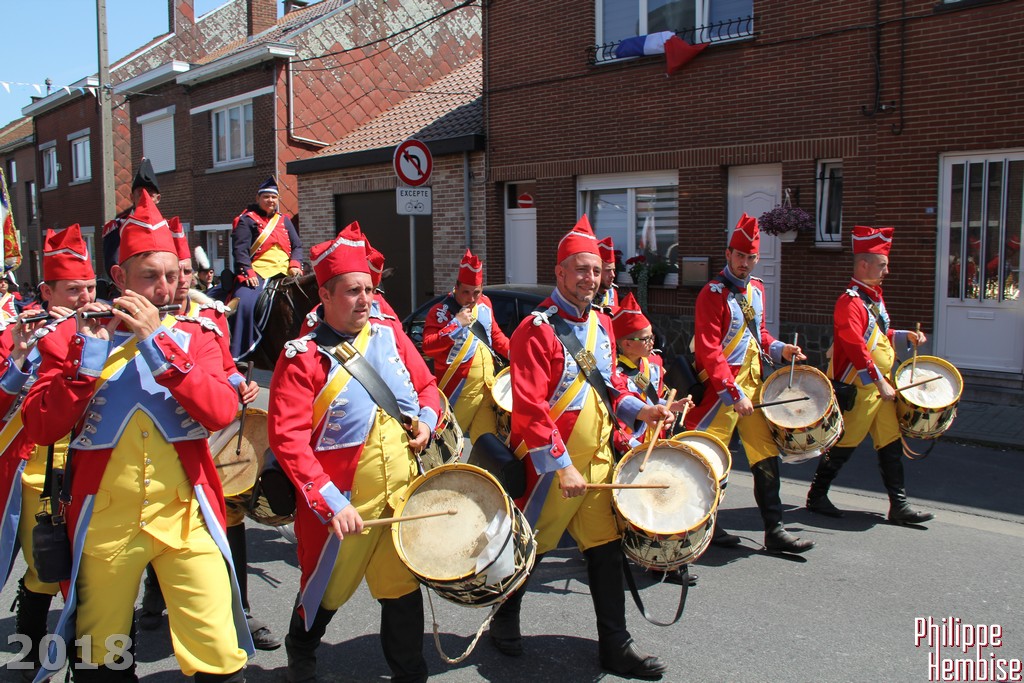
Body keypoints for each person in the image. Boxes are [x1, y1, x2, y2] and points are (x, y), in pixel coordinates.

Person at [22, 191, 253, 682]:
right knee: (102, 655)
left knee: (220, 654)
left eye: (171, 275)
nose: (165, 288)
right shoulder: (70, 336)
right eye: (150, 276)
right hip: (103, 524)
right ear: (120, 278)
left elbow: (221, 410)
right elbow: (40, 426)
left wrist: (158, 343)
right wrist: (85, 364)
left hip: (187, 518)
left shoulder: (198, 333)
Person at [492, 215, 674, 678]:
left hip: (596, 461)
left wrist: (642, 410)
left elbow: (610, 385)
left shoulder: (602, 323)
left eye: (595, 270)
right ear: (559, 272)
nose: (589, 278)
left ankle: (616, 645)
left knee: (605, 552)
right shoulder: (535, 329)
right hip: (553, 469)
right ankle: (504, 618)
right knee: (532, 549)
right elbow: (531, 407)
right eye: (580, 269)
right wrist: (561, 465)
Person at [267, 221, 440, 683]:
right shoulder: (303, 356)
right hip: (340, 505)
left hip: (399, 496)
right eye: (352, 291)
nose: (365, 300)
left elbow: (427, 386)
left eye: (369, 289)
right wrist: (330, 502)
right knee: (326, 591)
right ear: (324, 295)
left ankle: (410, 674)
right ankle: (301, 649)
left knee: (401, 590)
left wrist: (426, 420)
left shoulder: (390, 335)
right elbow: (287, 440)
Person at [136, 219, 278, 650]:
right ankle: (154, 594)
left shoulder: (211, 316)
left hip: (212, 433)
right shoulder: (137, 322)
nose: (178, 281)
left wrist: (239, 385)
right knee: (158, 519)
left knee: (229, 517)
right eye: (170, 272)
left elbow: (227, 367)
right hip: (160, 440)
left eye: (183, 272)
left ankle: (241, 611)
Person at [0, 224, 96, 680]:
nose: (85, 297)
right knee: (44, 568)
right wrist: (21, 360)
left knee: (97, 574)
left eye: (90, 287)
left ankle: (94, 660)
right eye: (73, 290)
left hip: (93, 466)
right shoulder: (18, 332)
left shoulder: (108, 327)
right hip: (36, 469)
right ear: (46, 291)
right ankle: (29, 653)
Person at [686, 213, 813, 554]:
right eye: (740, 256)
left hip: (753, 387)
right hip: (721, 394)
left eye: (751, 257)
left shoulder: (756, 289)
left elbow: (760, 335)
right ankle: (701, 525)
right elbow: (710, 351)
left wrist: (782, 349)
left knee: (766, 457)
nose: (744, 263)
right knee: (708, 459)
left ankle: (775, 530)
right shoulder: (712, 293)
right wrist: (733, 393)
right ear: (728, 254)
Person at [805, 225, 933, 524]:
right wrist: (878, 381)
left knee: (890, 443)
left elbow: (878, 335)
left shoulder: (872, 298)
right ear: (864, 264)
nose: (887, 270)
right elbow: (855, 347)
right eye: (882, 265)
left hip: (879, 387)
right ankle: (817, 496)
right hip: (859, 387)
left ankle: (899, 505)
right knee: (843, 444)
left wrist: (903, 336)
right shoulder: (849, 302)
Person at [610, 291, 695, 586]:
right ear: (626, 343)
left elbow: (654, 401)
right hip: (627, 446)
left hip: (653, 442)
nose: (652, 343)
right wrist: (633, 445)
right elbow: (617, 414)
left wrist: (674, 406)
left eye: (651, 337)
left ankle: (664, 561)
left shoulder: (651, 364)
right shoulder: (615, 373)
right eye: (645, 339)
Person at [422, 248, 510, 441]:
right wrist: (455, 325)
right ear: (456, 287)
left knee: (487, 443)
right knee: (448, 442)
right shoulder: (441, 311)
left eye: (476, 293)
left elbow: (495, 336)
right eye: (466, 292)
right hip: (458, 389)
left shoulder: (485, 304)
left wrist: (515, 352)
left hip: (487, 386)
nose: (471, 299)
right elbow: (428, 346)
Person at [228, 176, 303, 361]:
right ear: (258, 198)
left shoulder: (284, 220)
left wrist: (295, 264)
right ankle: (239, 354)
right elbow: (240, 250)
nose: (270, 200)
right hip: (259, 271)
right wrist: (248, 272)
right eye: (266, 197)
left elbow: (297, 246)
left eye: (274, 197)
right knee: (243, 303)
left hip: (286, 271)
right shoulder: (247, 220)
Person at [102, 158, 161, 281]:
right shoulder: (118, 227)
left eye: (150, 194)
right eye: (140, 193)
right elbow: (113, 264)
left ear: (158, 198)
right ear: (131, 197)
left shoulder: (167, 228)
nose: (145, 198)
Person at [595, 236, 619, 312]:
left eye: (613, 270)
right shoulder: (584, 296)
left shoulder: (612, 293)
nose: (613, 275)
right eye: (608, 270)